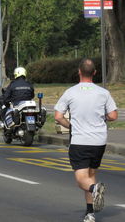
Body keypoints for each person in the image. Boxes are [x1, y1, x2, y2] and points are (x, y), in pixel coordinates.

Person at [54, 58, 117, 222]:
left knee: (82, 179)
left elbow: (58, 116)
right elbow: (113, 115)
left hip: (80, 141)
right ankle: (90, 213)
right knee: (91, 174)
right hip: (99, 142)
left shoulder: (71, 92)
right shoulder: (103, 93)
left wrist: (70, 126)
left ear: (79, 72)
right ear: (94, 73)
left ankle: (94, 188)